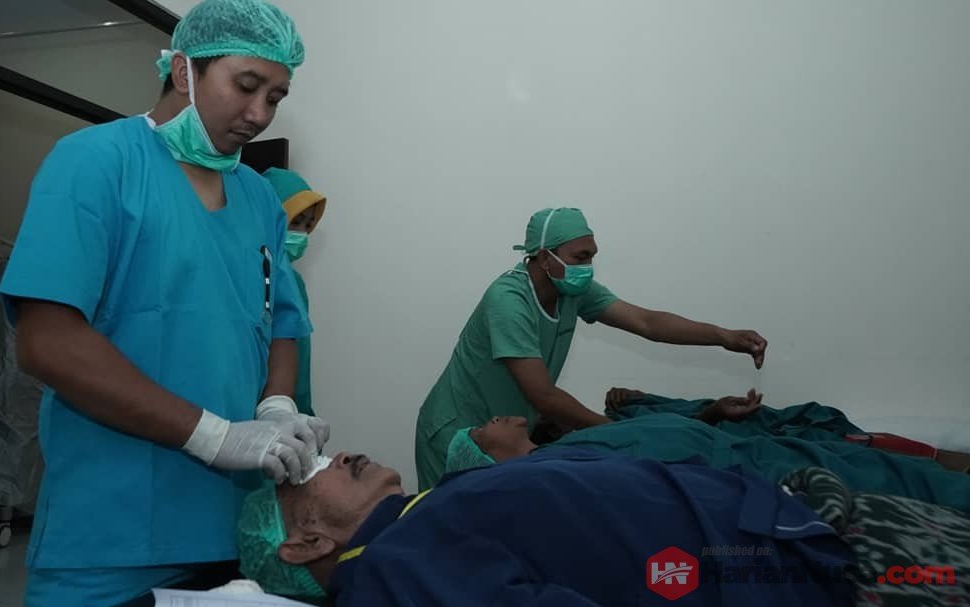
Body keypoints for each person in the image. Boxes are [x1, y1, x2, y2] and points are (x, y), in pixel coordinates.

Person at [0, 2, 329, 604]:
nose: (259, 114)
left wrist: (278, 407)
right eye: (246, 86)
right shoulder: (97, 161)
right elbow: (47, 342)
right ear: (183, 71)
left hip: (236, 529)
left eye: (275, 97)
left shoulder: (258, 197)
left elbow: (281, 319)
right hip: (111, 530)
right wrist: (213, 437)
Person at [415, 206, 769, 489]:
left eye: (591, 257)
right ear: (544, 256)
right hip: (459, 433)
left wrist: (725, 337)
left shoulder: (572, 291)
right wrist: (617, 432)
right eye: (580, 257)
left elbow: (647, 322)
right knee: (442, 529)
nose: (587, 267)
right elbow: (544, 396)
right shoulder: (508, 300)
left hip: (508, 437)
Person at [236, 451, 856, 606]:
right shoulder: (392, 569)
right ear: (306, 543)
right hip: (771, 569)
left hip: (768, 524)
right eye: (310, 471)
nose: (338, 455)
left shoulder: (417, 519)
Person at [444, 409, 970, 512]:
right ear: (486, 455)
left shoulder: (569, 447)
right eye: (483, 427)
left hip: (755, 450)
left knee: (905, 471)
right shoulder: (561, 472)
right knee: (899, 489)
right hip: (755, 476)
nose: (496, 417)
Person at [262, 168, 327, 415]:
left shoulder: (292, 281)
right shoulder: (254, 276)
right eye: (295, 222)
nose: (301, 234)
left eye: (308, 225)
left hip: (286, 410)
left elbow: (299, 363)